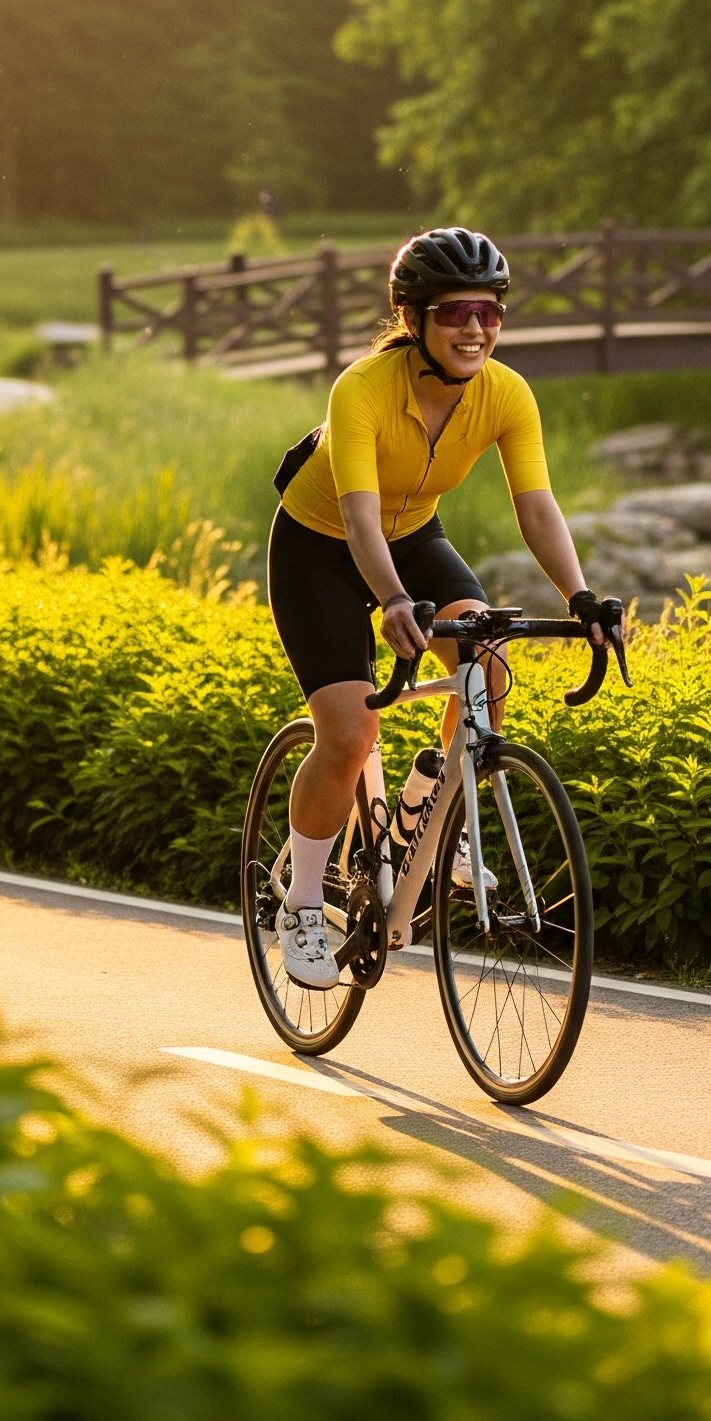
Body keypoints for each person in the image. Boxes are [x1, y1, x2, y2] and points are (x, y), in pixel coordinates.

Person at [264, 227, 621, 989]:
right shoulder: (363, 386)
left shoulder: (505, 393)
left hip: (416, 535)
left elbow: (537, 507)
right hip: (321, 548)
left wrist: (581, 598)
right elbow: (359, 517)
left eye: (490, 313)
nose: (476, 329)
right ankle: (298, 902)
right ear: (414, 317)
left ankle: (430, 808)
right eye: (457, 311)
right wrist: (390, 598)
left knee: (485, 669)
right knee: (352, 732)